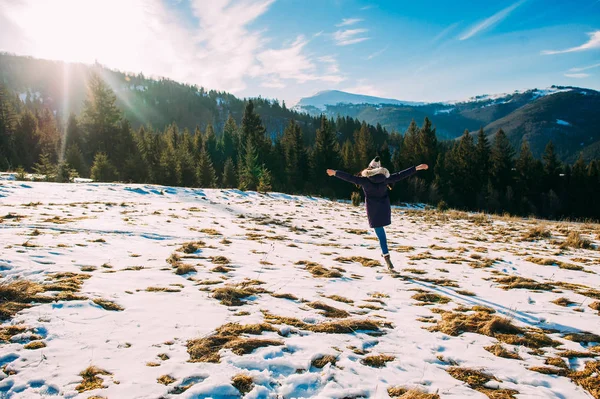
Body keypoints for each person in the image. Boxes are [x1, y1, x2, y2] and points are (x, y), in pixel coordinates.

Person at [327, 157, 428, 269]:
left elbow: (350, 178)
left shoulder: (364, 180)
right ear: (380, 169)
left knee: (380, 233)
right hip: (384, 207)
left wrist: (335, 173)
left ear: (370, 168)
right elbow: (400, 175)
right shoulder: (385, 179)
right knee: (382, 231)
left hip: (373, 209)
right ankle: (386, 255)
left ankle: (386, 255)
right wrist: (417, 167)